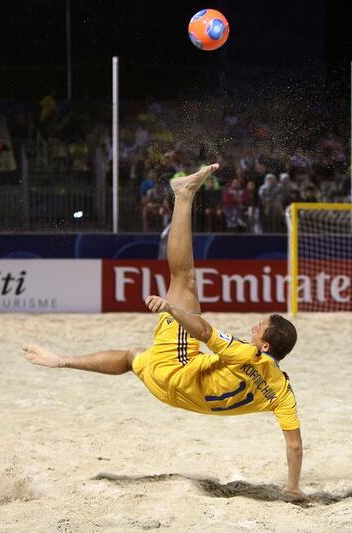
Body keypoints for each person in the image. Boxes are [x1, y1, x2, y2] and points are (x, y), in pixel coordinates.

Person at [22, 164, 305, 498]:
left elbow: (202, 330)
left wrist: (173, 308)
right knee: (132, 357)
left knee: (183, 277)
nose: (256, 325)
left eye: (263, 327)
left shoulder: (247, 354)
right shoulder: (283, 394)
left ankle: (183, 195)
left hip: (177, 370)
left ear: (267, 345)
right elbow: (295, 445)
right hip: (171, 395)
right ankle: (63, 361)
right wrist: (292, 487)